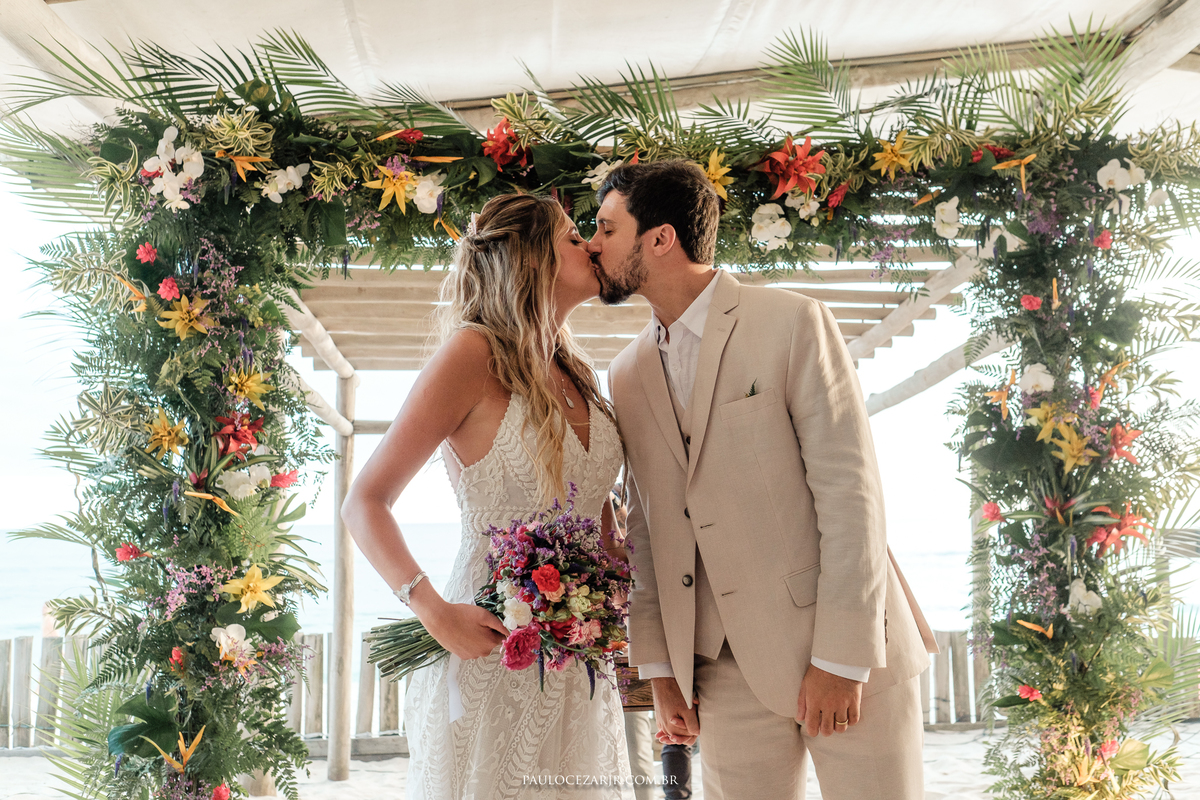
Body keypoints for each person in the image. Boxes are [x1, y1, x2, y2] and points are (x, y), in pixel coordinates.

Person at [591, 160, 938, 799]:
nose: (593, 244)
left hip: (844, 652)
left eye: (607, 228)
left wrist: (841, 658)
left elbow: (851, 494)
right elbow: (646, 530)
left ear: (661, 238)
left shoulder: (791, 320)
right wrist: (661, 671)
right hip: (721, 671)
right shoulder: (627, 372)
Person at [341, 194, 631, 799]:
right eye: (573, 237)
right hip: (491, 646)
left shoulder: (576, 369)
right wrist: (432, 610)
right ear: (533, 258)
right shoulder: (474, 353)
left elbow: (590, 499)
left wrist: (614, 589)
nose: (590, 246)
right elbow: (364, 500)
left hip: (578, 657)